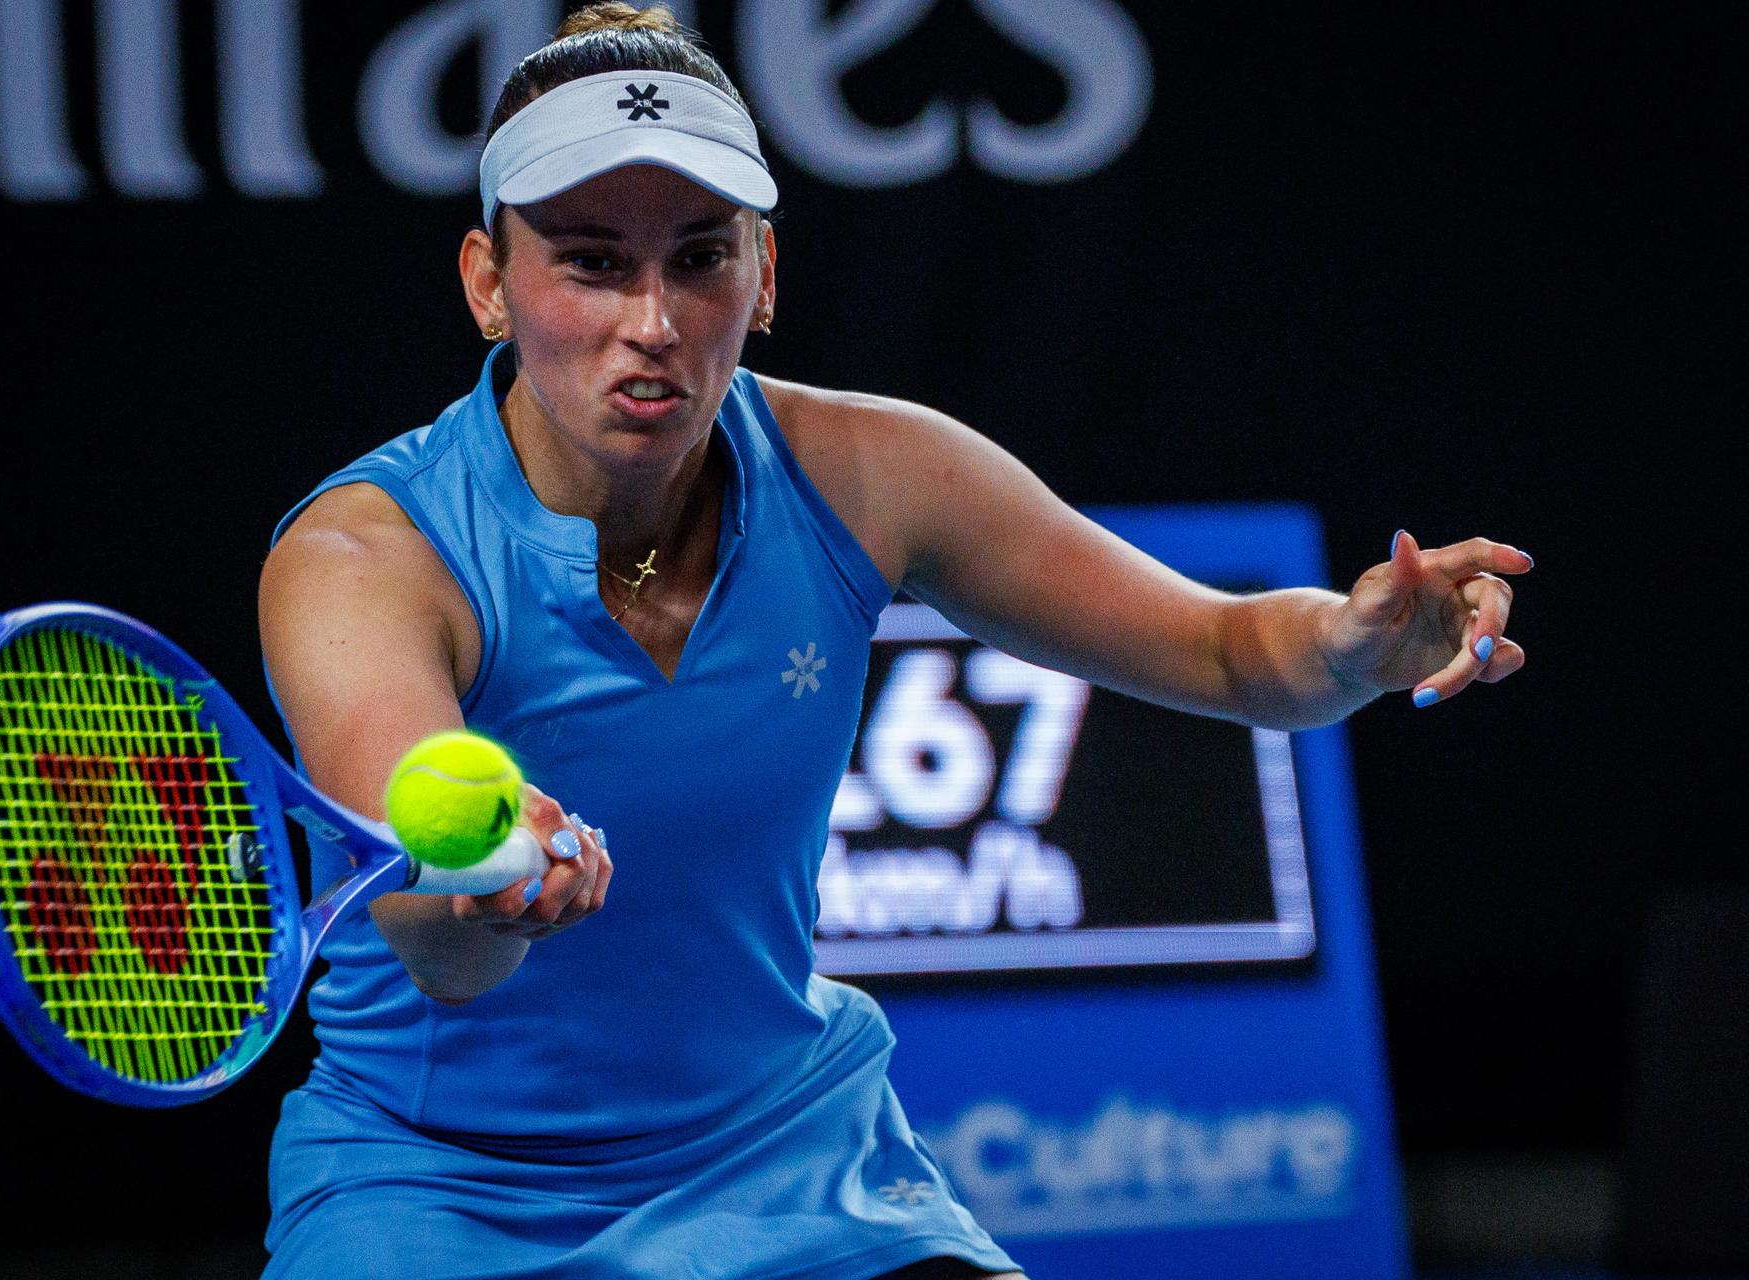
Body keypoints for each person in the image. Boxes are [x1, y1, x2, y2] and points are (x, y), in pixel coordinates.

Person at [256, 6, 1531, 1278]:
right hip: (436, 1184)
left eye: (699, 258)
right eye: (591, 262)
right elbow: (432, 940)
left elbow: (1224, 649)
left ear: (764, 275)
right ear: (489, 280)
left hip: (784, 1159)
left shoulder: (871, 473)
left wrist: (1351, 646)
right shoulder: (363, 559)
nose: (653, 320)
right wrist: (490, 887)